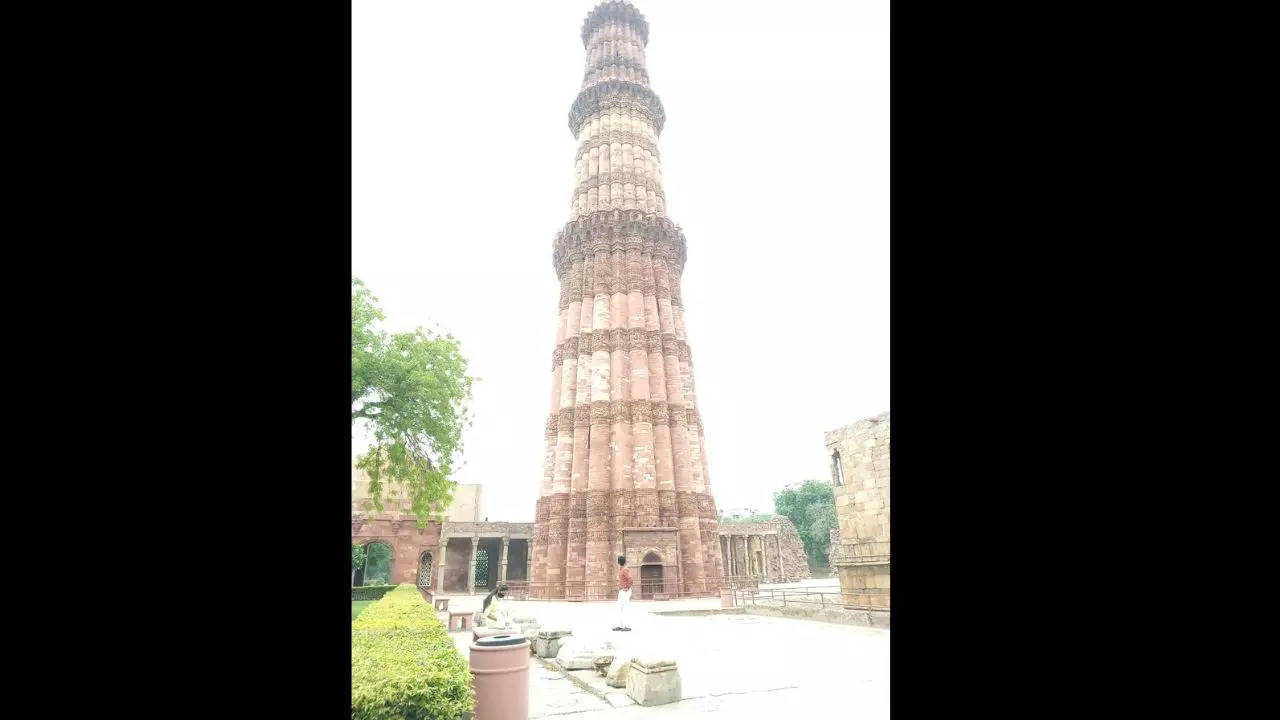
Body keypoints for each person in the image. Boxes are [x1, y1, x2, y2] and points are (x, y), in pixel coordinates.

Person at [613, 555, 632, 632]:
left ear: (618, 562)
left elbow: (630, 579)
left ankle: (627, 626)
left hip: (625, 591)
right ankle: (620, 625)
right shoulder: (622, 570)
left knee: (625, 608)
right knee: (620, 608)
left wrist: (627, 587)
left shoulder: (624, 570)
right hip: (622, 590)